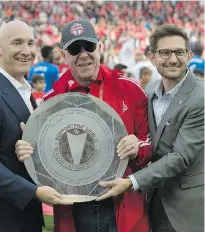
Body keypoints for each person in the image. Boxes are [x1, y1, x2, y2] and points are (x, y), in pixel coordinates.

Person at [15, 19, 153, 232]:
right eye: (74, 49)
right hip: (75, 209)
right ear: (64, 55)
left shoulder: (131, 90)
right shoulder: (52, 101)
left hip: (124, 206)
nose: (83, 54)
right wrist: (26, 150)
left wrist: (137, 148)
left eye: (88, 46)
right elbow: (40, 159)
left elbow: (150, 146)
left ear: (100, 47)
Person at [98, 24, 204, 232]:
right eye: (165, 53)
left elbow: (180, 158)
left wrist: (130, 182)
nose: (173, 59)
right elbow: (146, 139)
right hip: (152, 202)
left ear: (189, 55)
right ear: (152, 56)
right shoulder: (148, 91)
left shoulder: (200, 98)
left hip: (186, 209)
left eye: (179, 52)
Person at [0, 21, 71, 232]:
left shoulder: (23, 91)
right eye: (17, 43)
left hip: (23, 216)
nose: (26, 51)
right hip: (0, 220)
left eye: (30, 43)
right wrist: (33, 192)